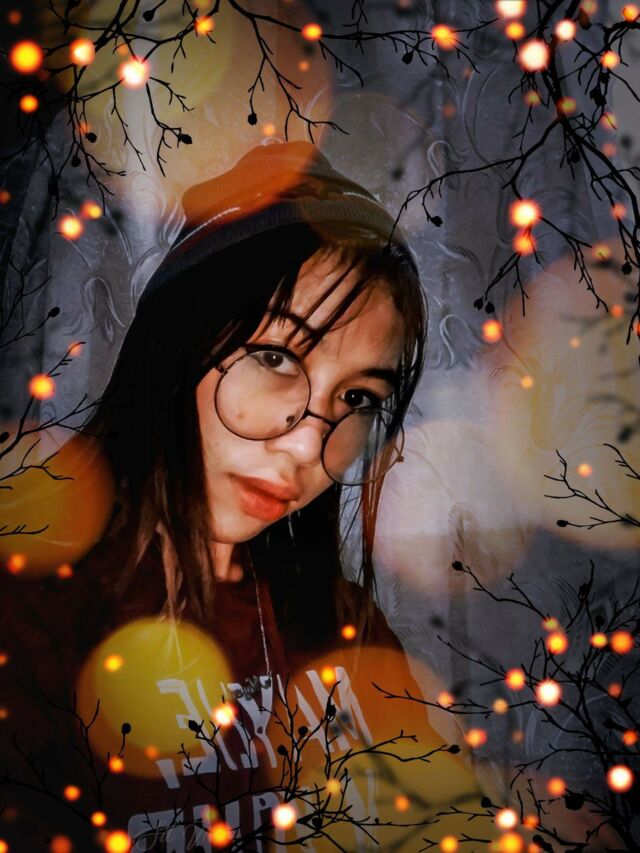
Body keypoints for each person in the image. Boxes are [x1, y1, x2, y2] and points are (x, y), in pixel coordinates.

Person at [0, 143, 482, 851]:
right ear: (177, 343)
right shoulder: (31, 620)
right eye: (275, 357)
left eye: (356, 397)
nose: (309, 443)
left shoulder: (346, 629)